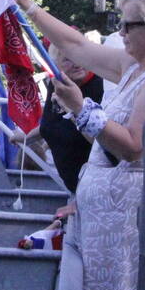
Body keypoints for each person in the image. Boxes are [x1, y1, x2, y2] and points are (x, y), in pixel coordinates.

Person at [5, 0, 145, 290]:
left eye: (129, 26)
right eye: (120, 25)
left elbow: (133, 147)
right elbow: (73, 44)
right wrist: (28, 7)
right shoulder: (132, 68)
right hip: (108, 215)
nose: (121, 33)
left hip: (124, 218)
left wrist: (80, 109)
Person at [24, 42, 104, 193]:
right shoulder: (57, 85)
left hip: (94, 188)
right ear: (55, 65)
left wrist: (75, 110)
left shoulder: (100, 87)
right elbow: (54, 123)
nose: (77, 64)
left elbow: (102, 144)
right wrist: (26, 136)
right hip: (73, 187)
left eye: (80, 57)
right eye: (68, 59)